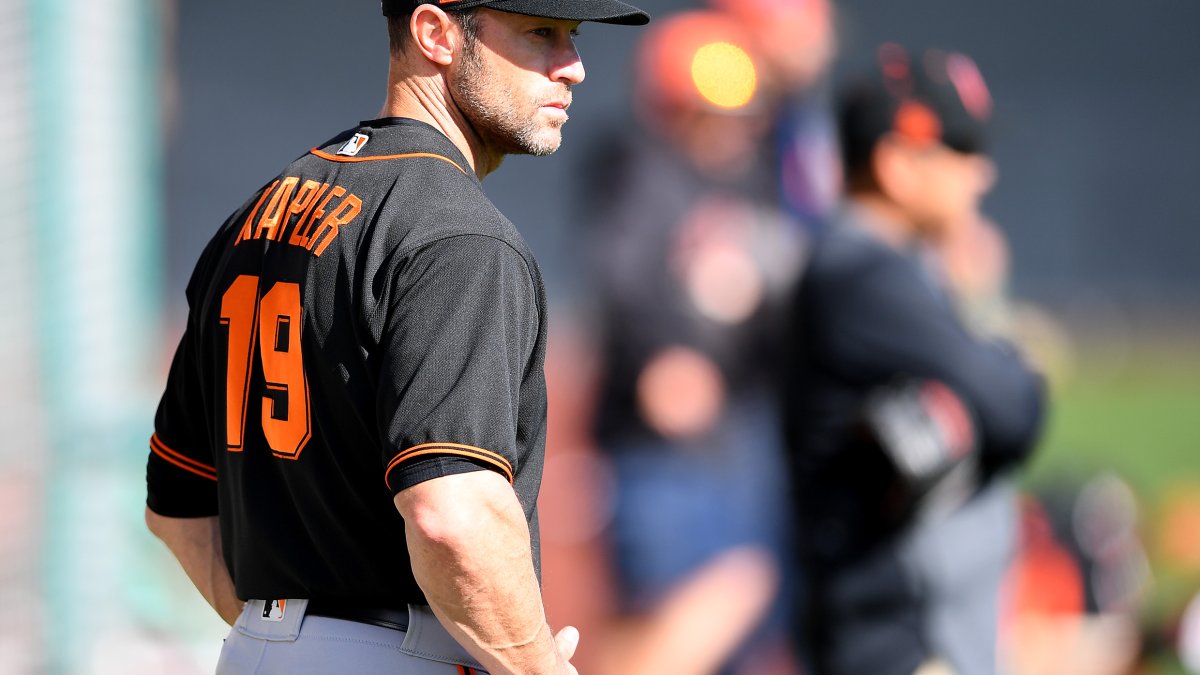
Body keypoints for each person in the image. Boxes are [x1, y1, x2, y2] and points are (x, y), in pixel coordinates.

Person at [142, 1, 648, 674]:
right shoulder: (460, 237)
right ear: (435, 33)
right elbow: (450, 512)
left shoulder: (255, 216)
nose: (574, 68)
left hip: (254, 651)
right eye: (541, 34)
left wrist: (298, 639)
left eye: (573, 38)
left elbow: (177, 506)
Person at [782, 44, 1047, 675]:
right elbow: (1016, 408)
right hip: (896, 629)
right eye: (960, 149)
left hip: (902, 615)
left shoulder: (893, 268)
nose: (982, 173)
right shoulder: (862, 274)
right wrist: (999, 340)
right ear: (897, 163)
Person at [578, 10, 805, 673]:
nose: (731, 132)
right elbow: (624, 277)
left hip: (745, 428)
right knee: (675, 607)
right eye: (708, 116)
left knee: (750, 613)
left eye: (743, 116)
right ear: (671, 111)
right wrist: (663, 353)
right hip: (664, 447)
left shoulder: (762, 177)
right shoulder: (640, 171)